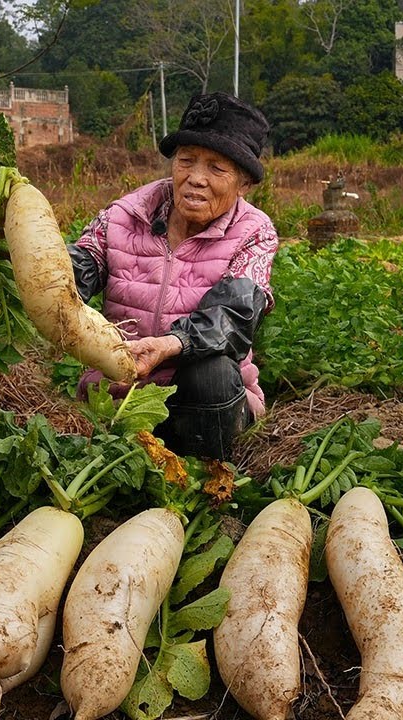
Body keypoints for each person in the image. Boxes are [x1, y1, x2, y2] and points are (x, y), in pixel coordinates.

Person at [66, 92, 279, 461]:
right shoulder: (124, 215)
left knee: (210, 372)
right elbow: (69, 276)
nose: (196, 178)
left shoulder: (254, 233)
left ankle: (211, 476)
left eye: (216, 168)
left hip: (202, 409)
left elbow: (233, 317)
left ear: (243, 184)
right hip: (121, 395)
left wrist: (169, 344)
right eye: (186, 161)